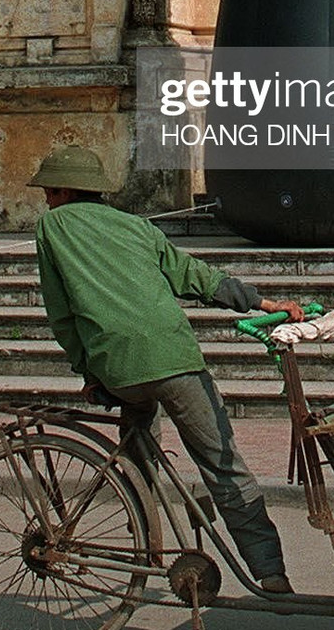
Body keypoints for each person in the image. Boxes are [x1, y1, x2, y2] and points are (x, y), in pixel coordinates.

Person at [29, 145, 304, 594]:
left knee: (138, 448)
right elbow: (193, 276)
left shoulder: (51, 227)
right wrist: (261, 302)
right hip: (176, 358)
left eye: (49, 191)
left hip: (118, 368)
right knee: (223, 465)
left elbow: (62, 314)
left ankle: (146, 548)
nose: (46, 199)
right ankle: (270, 571)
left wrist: (89, 372)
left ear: (63, 191)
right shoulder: (137, 226)